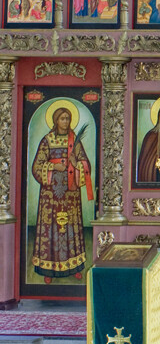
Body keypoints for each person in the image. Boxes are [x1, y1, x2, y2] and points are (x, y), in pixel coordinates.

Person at [31, 105, 93, 283]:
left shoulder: (75, 141)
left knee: (70, 228)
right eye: (62, 118)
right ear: (55, 120)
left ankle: (74, 267)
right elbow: (36, 167)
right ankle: (48, 270)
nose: (65, 122)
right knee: (51, 228)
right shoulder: (47, 140)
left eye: (67, 118)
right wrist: (53, 166)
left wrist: (76, 162)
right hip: (50, 195)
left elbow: (86, 165)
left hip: (70, 194)